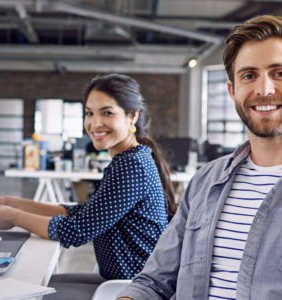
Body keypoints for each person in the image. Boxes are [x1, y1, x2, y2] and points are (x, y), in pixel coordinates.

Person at [118, 14, 282, 300]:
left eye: (279, 73)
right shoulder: (206, 181)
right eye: (249, 75)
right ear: (232, 91)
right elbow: (154, 282)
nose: (264, 90)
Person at [0, 74, 176, 299]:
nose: (95, 124)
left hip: (129, 289)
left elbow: (75, 232)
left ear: (132, 117)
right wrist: (19, 204)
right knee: (35, 282)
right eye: (89, 113)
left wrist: (15, 217)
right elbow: (83, 214)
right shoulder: (128, 159)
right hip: (116, 279)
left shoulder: (132, 166)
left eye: (107, 113)